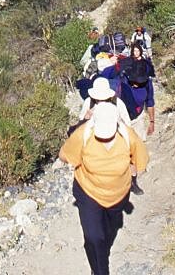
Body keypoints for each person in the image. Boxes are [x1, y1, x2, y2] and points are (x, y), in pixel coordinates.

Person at [59, 102, 149, 275]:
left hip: (118, 195)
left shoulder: (127, 135)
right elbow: (64, 155)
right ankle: (99, 270)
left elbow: (141, 162)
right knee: (93, 236)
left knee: (108, 232)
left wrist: (131, 168)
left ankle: (101, 252)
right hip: (88, 192)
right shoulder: (84, 134)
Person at [122, 43, 156, 137]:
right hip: (124, 119)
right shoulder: (124, 82)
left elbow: (150, 102)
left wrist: (152, 122)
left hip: (138, 116)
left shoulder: (147, 83)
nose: (137, 84)